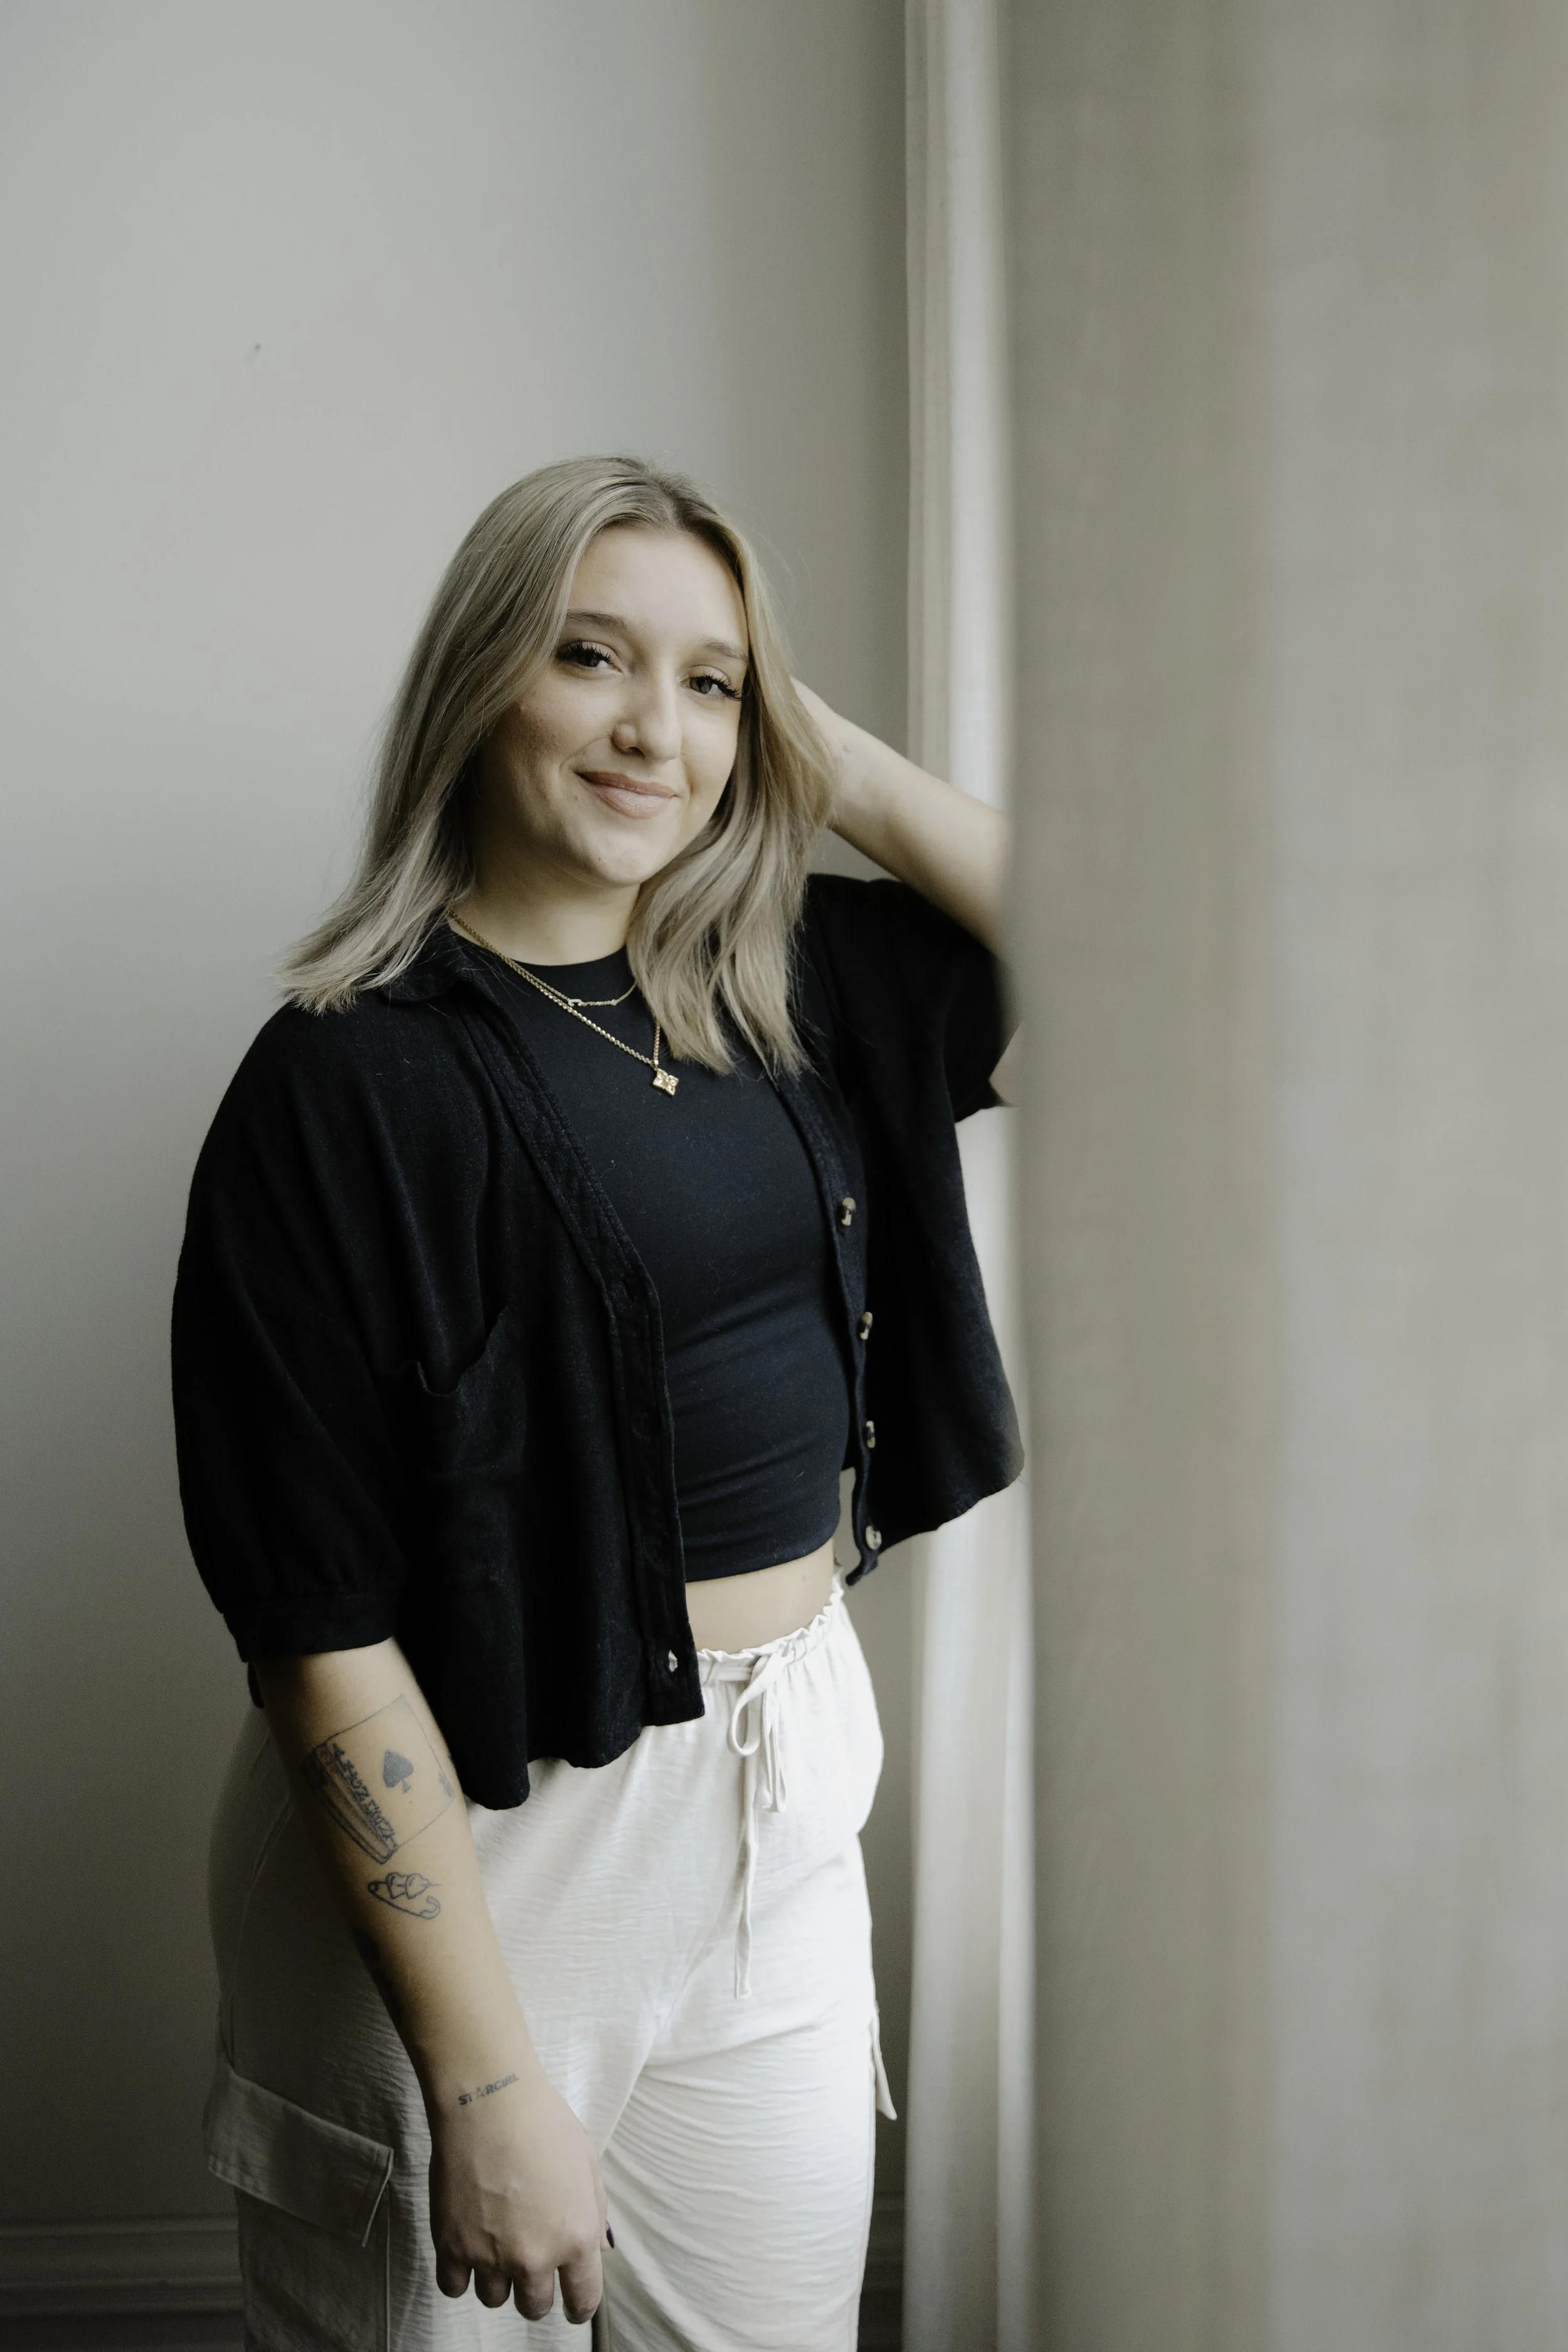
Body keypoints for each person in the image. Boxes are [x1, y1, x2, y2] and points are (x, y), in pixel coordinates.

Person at [173, 455, 1021, 2351]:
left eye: (708, 679)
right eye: (591, 658)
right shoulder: (344, 1083)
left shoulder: (792, 976)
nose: (655, 726)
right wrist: (479, 2085)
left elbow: (1137, 963)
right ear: (484, 678)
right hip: (491, 1829)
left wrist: (816, 755)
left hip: (786, 1778)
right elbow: (318, 1628)